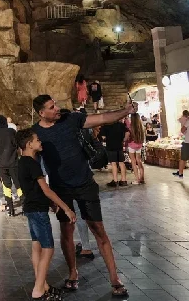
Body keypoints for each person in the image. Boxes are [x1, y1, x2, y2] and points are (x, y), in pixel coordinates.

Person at [32, 94, 134, 297]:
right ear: (41, 113)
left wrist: (126, 111)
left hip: (85, 183)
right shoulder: (36, 134)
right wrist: (45, 196)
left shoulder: (71, 119)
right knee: (66, 232)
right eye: (51, 107)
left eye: (55, 104)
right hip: (61, 189)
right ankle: (73, 273)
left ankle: (114, 278)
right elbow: (33, 164)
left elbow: (102, 118)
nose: (57, 108)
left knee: (98, 230)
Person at [17, 129, 71, 300]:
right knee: (48, 248)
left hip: (31, 208)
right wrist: (65, 208)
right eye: (37, 140)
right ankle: (38, 289)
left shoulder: (22, 162)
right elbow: (45, 189)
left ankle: (43, 285)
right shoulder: (32, 164)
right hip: (38, 210)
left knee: (37, 246)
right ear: (29, 144)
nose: (40, 142)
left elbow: (34, 189)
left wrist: (50, 203)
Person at [0, 115, 21, 216]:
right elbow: (17, 145)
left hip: (1, 165)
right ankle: (24, 205)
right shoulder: (11, 132)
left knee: (6, 186)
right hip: (13, 162)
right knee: (18, 184)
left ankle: (11, 209)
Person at [99, 120, 129, 187]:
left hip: (111, 146)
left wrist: (108, 139)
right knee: (121, 163)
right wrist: (123, 139)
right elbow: (127, 132)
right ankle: (124, 180)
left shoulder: (106, 125)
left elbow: (103, 136)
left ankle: (115, 181)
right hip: (119, 145)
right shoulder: (121, 124)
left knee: (113, 163)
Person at [127, 113, 145, 185]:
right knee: (139, 161)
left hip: (132, 145)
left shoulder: (130, 126)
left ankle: (137, 180)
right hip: (139, 145)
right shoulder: (141, 126)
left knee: (133, 162)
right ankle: (142, 178)